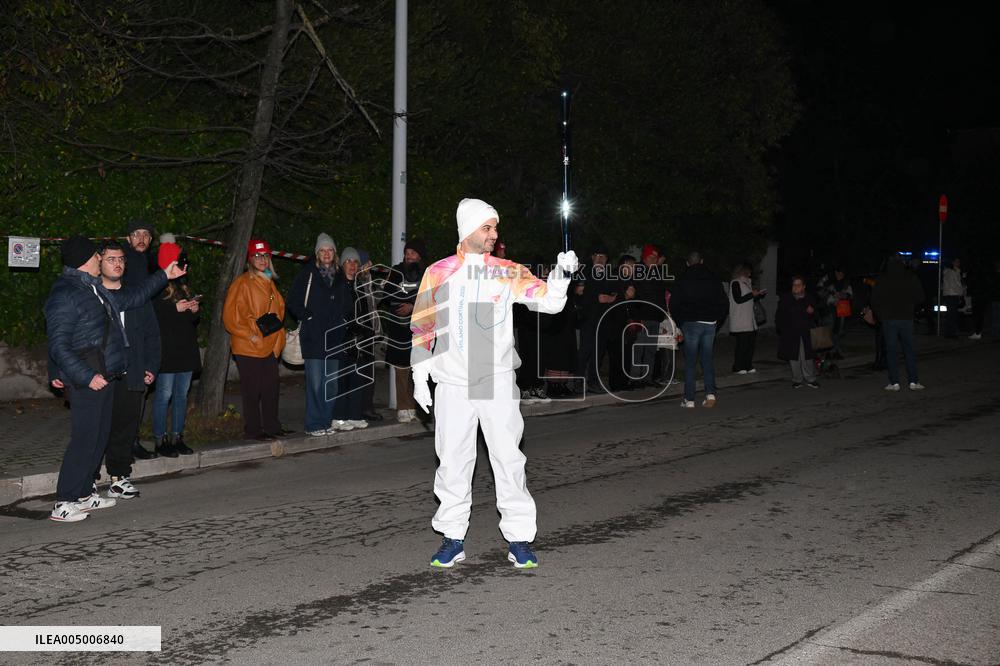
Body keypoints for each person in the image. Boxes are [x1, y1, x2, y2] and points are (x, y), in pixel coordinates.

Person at [410, 198, 578, 569]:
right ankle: (452, 538)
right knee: (452, 462)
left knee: (508, 458)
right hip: (452, 380)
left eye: (495, 228)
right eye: (487, 228)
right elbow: (423, 324)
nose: (494, 235)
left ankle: (519, 538)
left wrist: (561, 277)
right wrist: (419, 372)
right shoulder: (439, 272)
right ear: (468, 230)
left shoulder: (507, 271)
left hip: (496, 378)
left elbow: (547, 302)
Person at [45, 235, 183, 522]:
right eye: (98, 256)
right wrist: (87, 376)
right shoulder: (65, 293)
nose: (101, 260)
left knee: (98, 437)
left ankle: (83, 494)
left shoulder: (92, 288)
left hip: (105, 374)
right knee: (84, 440)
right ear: (87, 260)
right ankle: (64, 501)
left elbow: (132, 297)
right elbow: (59, 345)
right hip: (88, 377)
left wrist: (163, 276)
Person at [91, 241, 162, 499]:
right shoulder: (91, 295)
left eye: (121, 259)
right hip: (100, 373)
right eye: (111, 259)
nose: (117, 264)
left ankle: (119, 477)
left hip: (131, 372)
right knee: (97, 428)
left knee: (125, 427)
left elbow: (153, 336)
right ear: (99, 262)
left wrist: (151, 367)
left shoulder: (138, 297)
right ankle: (89, 478)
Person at [222, 239, 289, 440]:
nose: (262, 260)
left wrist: (278, 339)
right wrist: (250, 335)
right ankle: (253, 429)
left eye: (265, 256)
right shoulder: (241, 283)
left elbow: (279, 313)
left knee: (271, 387)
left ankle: (271, 426)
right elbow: (229, 318)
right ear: (250, 259)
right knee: (252, 389)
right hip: (248, 345)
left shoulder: (270, 283)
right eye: (257, 256)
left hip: (268, 344)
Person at [286, 233, 350, 436]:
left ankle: (326, 421)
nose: (326, 254)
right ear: (317, 253)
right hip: (313, 338)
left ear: (334, 253)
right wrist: (308, 316)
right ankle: (313, 424)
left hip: (334, 338)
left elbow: (348, 303)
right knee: (315, 383)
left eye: (329, 250)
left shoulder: (340, 276)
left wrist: (343, 320)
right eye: (322, 250)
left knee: (330, 385)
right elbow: (292, 300)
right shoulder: (308, 273)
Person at [151, 235, 201, 455]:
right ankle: (160, 440)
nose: (184, 266)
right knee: (164, 395)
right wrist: (175, 310)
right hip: (167, 351)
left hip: (185, 350)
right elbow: (153, 318)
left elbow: (190, 322)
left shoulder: (183, 285)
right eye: (180, 261)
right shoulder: (156, 285)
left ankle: (177, 436)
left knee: (182, 395)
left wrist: (192, 310)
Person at [123, 220, 162, 460]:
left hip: (141, 335)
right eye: (136, 234)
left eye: (146, 235)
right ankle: (123, 445)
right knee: (125, 398)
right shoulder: (122, 262)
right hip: (124, 339)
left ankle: (133, 441)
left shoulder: (146, 263)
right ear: (128, 238)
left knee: (139, 395)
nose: (141, 238)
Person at [671, 251, 728, 408]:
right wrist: (717, 320)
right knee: (707, 359)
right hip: (709, 322)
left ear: (687, 263)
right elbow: (724, 302)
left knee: (690, 361)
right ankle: (710, 394)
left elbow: (674, 304)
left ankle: (689, 399)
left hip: (690, 323)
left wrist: (680, 323)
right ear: (701, 261)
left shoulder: (682, 279)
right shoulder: (713, 278)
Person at [331, 247, 377, 431]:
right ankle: (339, 416)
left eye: (355, 262)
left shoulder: (361, 285)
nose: (352, 265)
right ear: (342, 264)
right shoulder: (337, 284)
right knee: (342, 380)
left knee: (357, 378)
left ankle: (355, 415)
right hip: (342, 339)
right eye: (348, 261)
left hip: (359, 340)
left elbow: (367, 311)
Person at [383, 238, 428, 423]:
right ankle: (403, 407)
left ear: (420, 256)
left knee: (417, 369)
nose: (409, 256)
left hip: (419, 328)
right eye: (407, 252)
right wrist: (401, 305)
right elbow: (387, 295)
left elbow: (430, 297)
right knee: (401, 368)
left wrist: (412, 305)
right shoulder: (395, 271)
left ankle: (415, 406)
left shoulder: (426, 274)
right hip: (399, 328)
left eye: (413, 253)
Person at [871, 255, 925, 391]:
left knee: (891, 350)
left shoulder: (882, 278)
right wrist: (911, 306)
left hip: (889, 319)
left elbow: (874, 300)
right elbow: (920, 297)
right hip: (906, 317)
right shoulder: (910, 277)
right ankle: (913, 381)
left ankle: (894, 382)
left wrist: (881, 315)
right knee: (909, 350)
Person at [632, 244, 670, 386]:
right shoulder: (640, 270)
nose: (654, 259)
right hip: (643, 316)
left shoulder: (655, 271)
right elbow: (643, 293)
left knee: (651, 349)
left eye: (656, 257)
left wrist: (663, 311)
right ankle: (635, 378)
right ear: (645, 257)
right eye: (651, 257)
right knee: (639, 349)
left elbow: (660, 293)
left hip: (655, 316)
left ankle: (647, 378)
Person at [776, 276, 820, 389]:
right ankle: (797, 379)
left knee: (807, 356)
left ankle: (810, 378)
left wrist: (812, 312)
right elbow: (779, 315)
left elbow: (817, 315)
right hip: (791, 332)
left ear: (804, 286)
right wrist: (781, 329)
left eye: (798, 285)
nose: (796, 287)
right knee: (794, 357)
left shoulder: (809, 298)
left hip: (806, 332)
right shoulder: (786, 298)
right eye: (794, 285)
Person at [728, 263, 764, 374]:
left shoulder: (747, 283)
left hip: (749, 320)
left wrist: (756, 294)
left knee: (750, 345)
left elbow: (748, 299)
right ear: (742, 271)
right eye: (748, 271)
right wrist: (752, 294)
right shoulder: (735, 283)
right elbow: (738, 299)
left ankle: (748, 365)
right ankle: (738, 366)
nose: (750, 273)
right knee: (742, 345)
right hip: (740, 319)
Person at [818, 266, 852, 358]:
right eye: (839, 273)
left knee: (838, 330)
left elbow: (850, 294)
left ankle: (835, 351)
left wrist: (841, 295)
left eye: (843, 273)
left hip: (841, 310)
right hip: (828, 309)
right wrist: (831, 298)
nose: (841, 275)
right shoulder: (827, 279)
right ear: (836, 272)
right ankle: (826, 353)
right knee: (827, 330)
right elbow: (819, 290)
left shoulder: (845, 282)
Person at [941, 257, 964, 338]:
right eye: (957, 261)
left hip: (951, 294)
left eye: (959, 261)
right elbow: (954, 285)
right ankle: (951, 333)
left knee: (951, 315)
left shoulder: (953, 272)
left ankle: (950, 332)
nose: (958, 263)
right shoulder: (951, 272)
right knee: (952, 315)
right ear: (952, 263)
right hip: (952, 295)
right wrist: (961, 292)